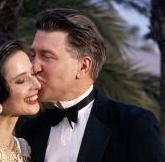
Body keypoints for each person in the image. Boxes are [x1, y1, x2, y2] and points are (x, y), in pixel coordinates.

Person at [20, 8, 165, 162]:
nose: (33, 67)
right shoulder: (31, 130)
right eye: (33, 55)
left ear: (83, 67)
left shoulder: (133, 125)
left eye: (46, 56)